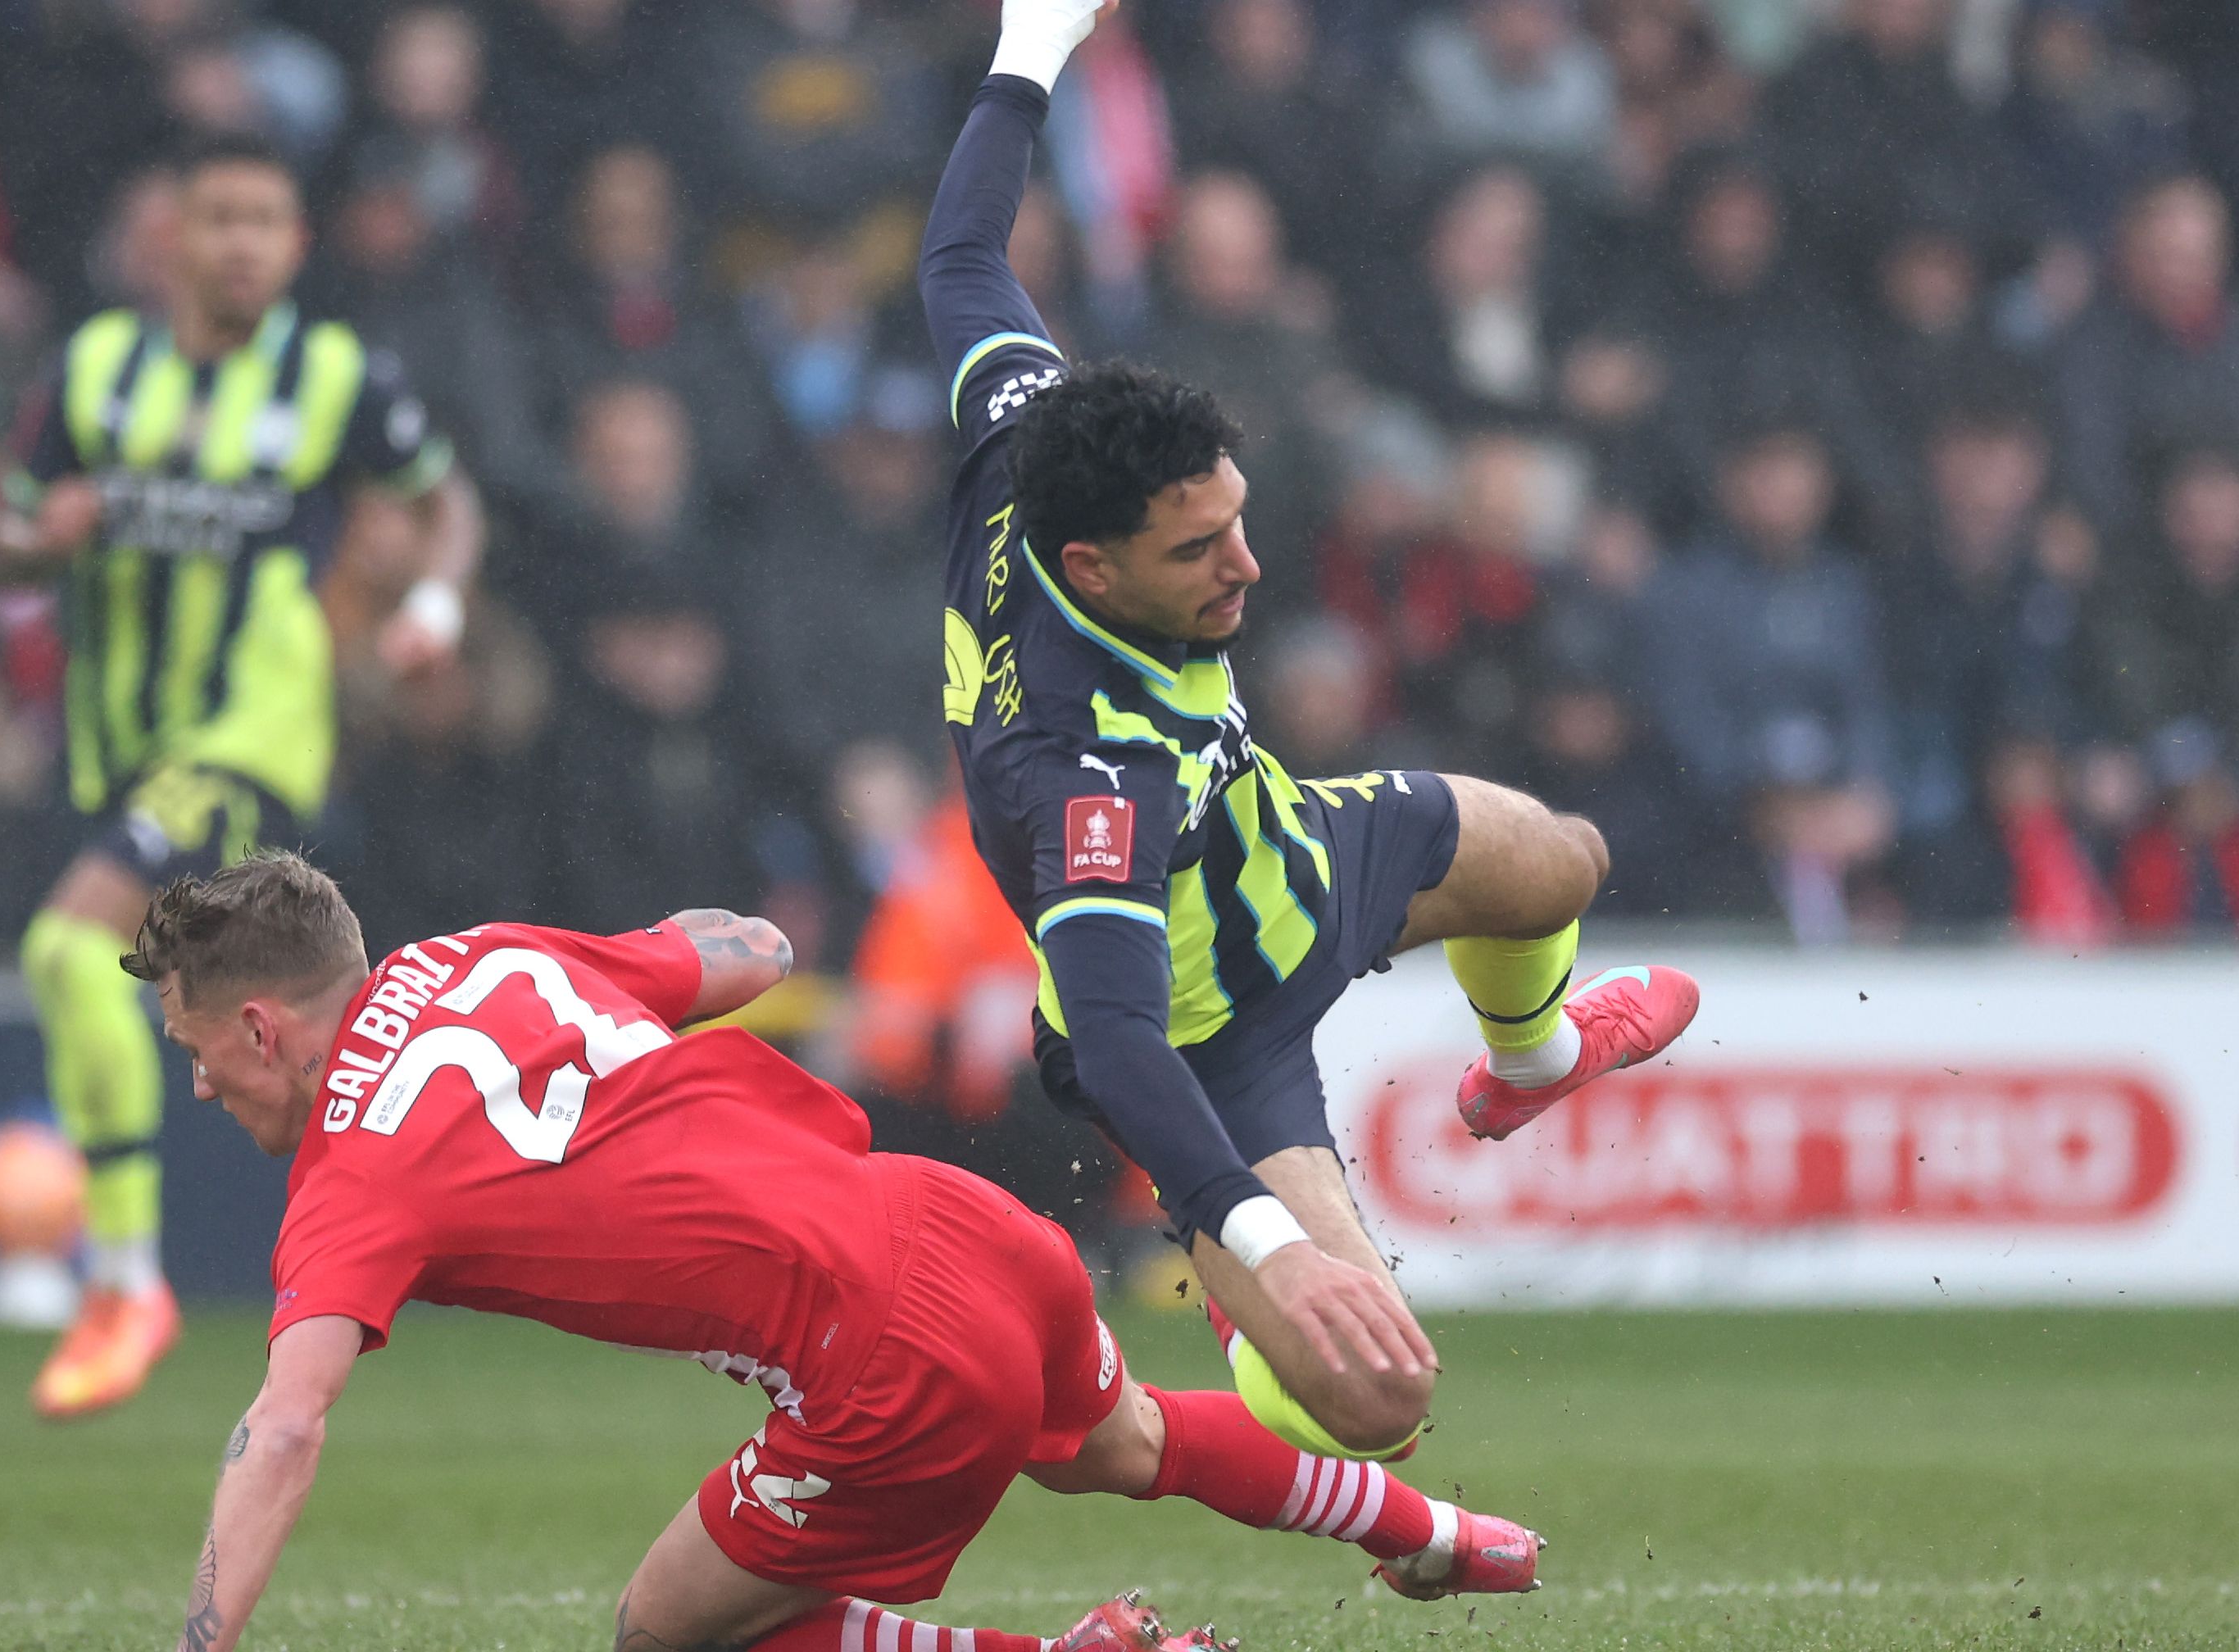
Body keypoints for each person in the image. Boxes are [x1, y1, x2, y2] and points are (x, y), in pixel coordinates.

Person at [920, 0, 1701, 1467]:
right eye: (1200, 549)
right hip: (1215, 1046)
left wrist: (1030, 49)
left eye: (1237, 518)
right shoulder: (1092, 779)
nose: (1247, 568)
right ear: (1090, 573)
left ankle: (1524, 1071)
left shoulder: (1025, 423)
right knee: (1380, 1403)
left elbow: (962, 255)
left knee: (1565, 860)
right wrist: (1260, 1243)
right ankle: (1240, 1315)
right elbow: (1115, 1041)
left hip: (1290, 844)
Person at [134, 852, 1545, 1652]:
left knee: (666, 1637)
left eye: (199, 1055)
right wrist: (707, 951)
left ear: (264, 1026)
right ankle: (1455, 1540)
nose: (203, 1088)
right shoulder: (482, 956)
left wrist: (200, 1646)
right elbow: (734, 948)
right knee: (1117, 1439)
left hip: (876, 1357)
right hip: (961, 1227)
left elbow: (286, 1425)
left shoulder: (354, 1173)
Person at [0, 132, 486, 1421]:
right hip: (117, 745)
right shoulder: (96, 371)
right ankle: (427, 1207)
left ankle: (123, 1281)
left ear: (297, 246)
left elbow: (446, 504)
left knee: (62, 947)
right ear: (177, 241)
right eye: (222, 218)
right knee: (237, 1018)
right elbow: (4, 544)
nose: (246, 242)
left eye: (269, 220)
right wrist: (43, 541)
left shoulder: (335, 377)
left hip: (252, 732)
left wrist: (431, 602)